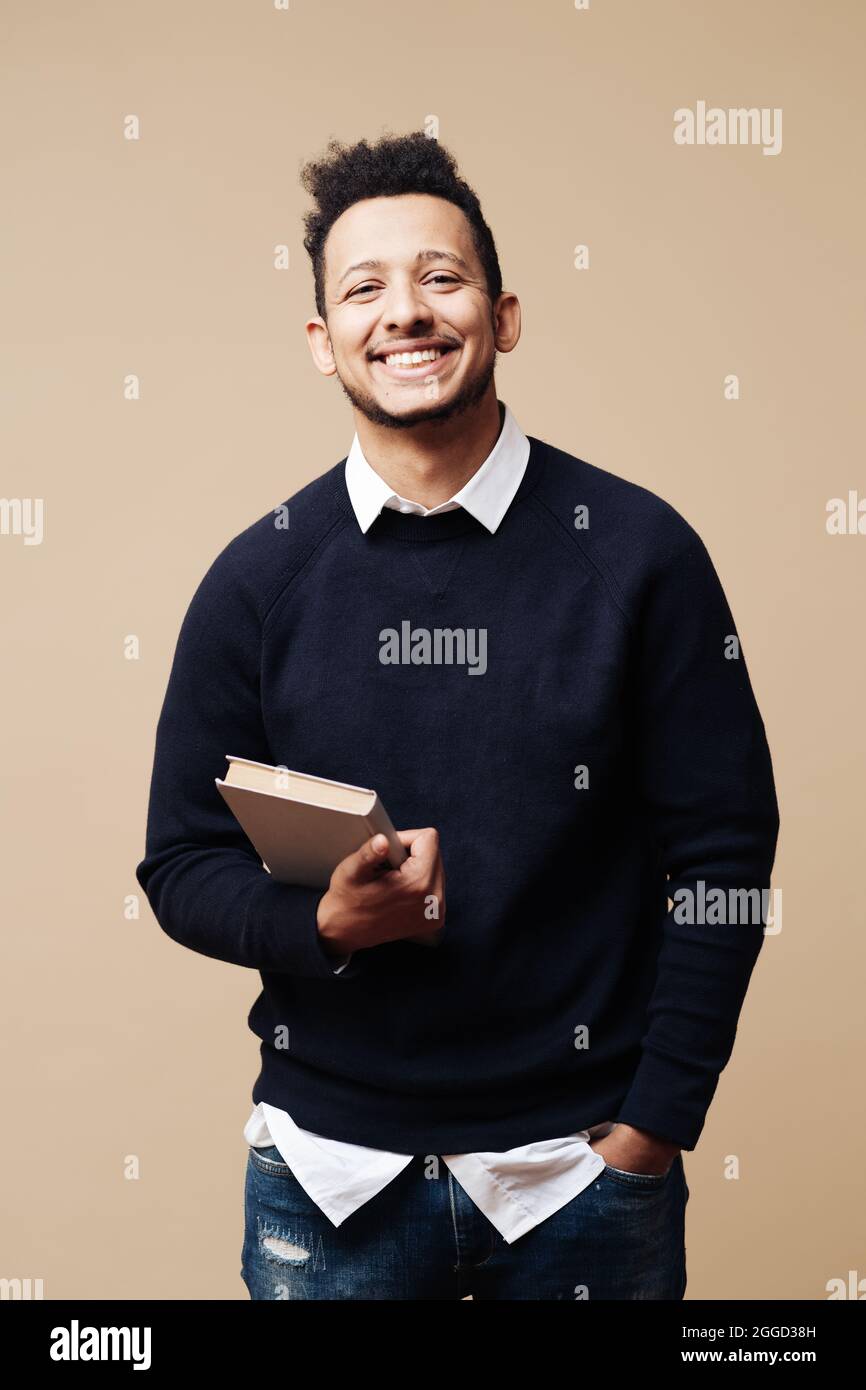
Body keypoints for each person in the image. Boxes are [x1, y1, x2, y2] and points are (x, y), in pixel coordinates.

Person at [135, 131, 780, 1300]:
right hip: (325, 1182)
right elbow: (180, 861)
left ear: (504, 314)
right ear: (322, 342)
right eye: (364, 288)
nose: (406, 313)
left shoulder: (639, 555)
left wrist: (654, 1125)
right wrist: (321, 923)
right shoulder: (255, 581)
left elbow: (724, 854)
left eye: (440, 277)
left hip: (579, 1173)